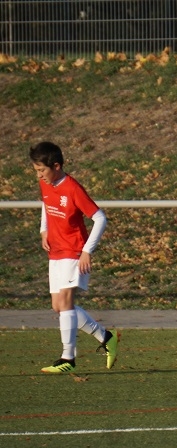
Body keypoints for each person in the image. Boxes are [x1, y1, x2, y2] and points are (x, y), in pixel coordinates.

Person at [30, 141, 120, 374]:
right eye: (36, 170)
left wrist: (87, 251)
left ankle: (68, 358)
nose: (39, 175)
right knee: (58, 306)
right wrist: (44, 230)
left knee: (66, 302)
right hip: (56, 251)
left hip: (74, 251)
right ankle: (106, 337)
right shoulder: (45, 182)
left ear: (56, 166)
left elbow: (100, 218)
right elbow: (46, 204)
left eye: (42, 170)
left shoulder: (72, 188)